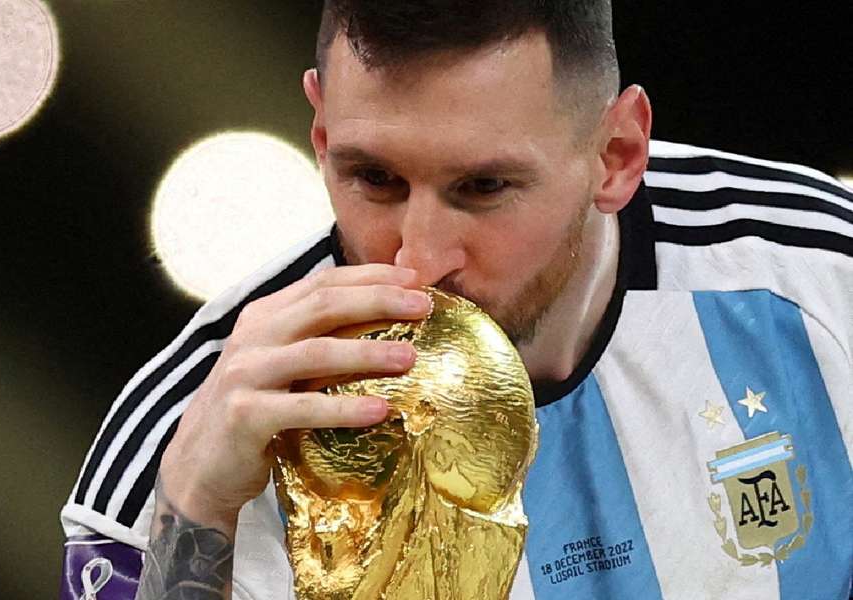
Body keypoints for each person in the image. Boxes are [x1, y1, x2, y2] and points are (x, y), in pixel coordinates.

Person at [59, 1, 853, 598]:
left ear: (615, 156)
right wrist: (196, 506)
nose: (419, 258)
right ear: (322, 137)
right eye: (373, 178)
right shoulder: (193, 437)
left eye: (482, 187)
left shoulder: (820, 280)